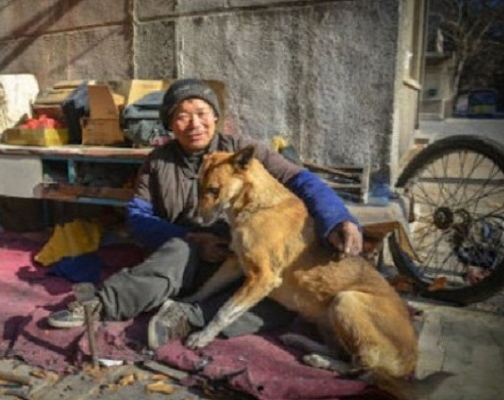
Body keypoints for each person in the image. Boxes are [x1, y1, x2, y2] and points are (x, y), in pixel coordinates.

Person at [47, 79, 362, 349]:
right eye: (182, 116)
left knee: (280, 299)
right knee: (176, 253)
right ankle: (101, 305)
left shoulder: (244, 152)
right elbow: (138, 215)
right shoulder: (158, 162)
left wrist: (337, 217)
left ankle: (189, 317)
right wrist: (192, 239)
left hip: (238, 256)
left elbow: (300, 179)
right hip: (184, 256)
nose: (194, 124)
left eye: (201, 113)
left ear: (215, 117)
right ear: (170, 124)